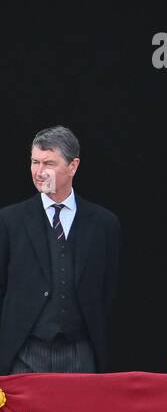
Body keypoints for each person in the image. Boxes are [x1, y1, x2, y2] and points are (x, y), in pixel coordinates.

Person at [0, 126, 121, 373]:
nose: (39, 172)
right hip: (24, 352)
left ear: (73, 166)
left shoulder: (103, 224)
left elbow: (109, 290)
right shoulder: (9, 221)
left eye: (49, 163)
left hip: (82, 352)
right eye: (35, 162)